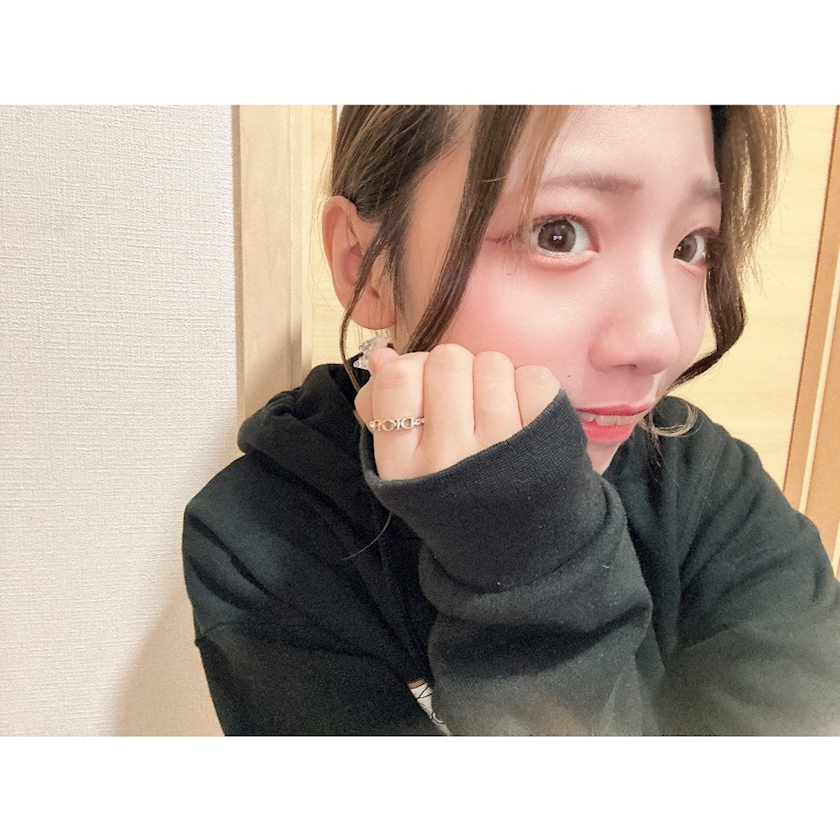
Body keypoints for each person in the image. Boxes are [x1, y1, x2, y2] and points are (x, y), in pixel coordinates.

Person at [183, 106, 840, 735]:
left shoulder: (708, 480)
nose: (661, 341)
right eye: (559, 233)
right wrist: (528, 581)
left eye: (691, 245)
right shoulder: (262, 541)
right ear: (368, 264)